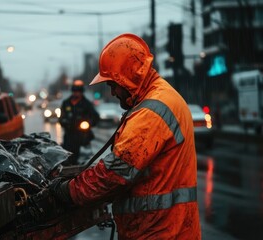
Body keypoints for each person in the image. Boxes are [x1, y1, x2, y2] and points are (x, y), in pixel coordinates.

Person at [31, 33, 201, 239]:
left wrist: (67, 192)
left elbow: (113, 175)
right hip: (165, 228)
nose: (112, 93)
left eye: (112, 85)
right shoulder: (161, 98)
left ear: (128, 77)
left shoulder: (151, 112)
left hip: (159, 232)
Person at [59, 79, 100, 165]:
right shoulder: (66, 103)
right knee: (67, 159)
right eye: (75, 90)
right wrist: (64, 121)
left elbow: (95, 117)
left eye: (79, 91)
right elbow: (61, 117)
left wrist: (89, 123)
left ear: (82, 91)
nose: (76, 93)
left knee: (84, 160)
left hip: (83, 136)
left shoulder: (87, 104)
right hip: (69, 136)